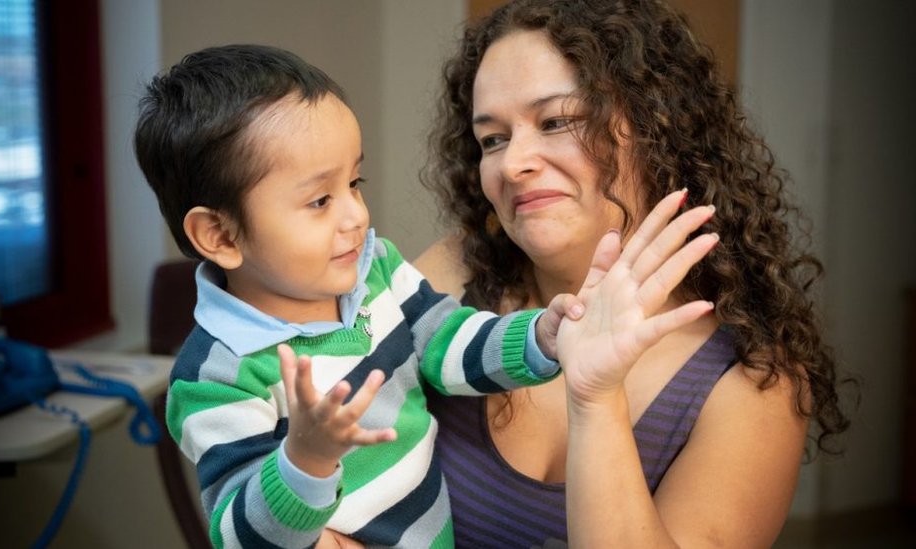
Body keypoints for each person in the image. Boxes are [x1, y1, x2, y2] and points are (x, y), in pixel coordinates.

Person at [133, 44, 716, 549]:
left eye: (354, 184)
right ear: (221, 235)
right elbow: (240, 535)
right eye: (319, 202)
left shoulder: (375, 271)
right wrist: (305, 460)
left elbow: (449, 342)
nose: (356, 216)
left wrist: (545, 335)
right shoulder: (215, 376)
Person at [411, 0, 852, 547]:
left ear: (653, 128)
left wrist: (595, 403)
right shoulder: (452, 273)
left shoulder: (752, 381)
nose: (512, 163)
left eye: (556, 122)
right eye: (493, 139)